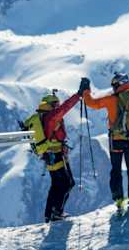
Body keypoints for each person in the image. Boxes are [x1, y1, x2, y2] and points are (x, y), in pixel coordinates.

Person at [21, 78, 90, 222]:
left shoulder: (43, 117)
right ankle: (56, 212)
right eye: (56, 104)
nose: (58, 106)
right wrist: (78, 95)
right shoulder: (51, 117)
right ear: (51, 105)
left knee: (56, 184)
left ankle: (49, 214)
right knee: (67, 183)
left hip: (49, 154)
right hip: (56, 154)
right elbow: (65, 107)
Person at [82, 72, 129, 215]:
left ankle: (119, 200)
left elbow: (91, 103)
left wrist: (86, 90)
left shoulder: (112, 100)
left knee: (116, 169)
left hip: (116, 140)